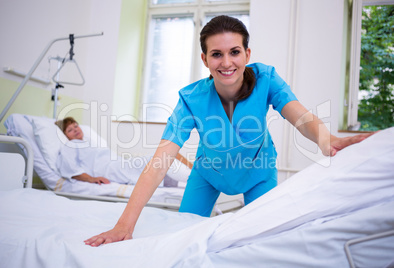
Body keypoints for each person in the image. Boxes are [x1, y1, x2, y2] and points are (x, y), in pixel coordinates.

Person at [84, 15, 374, 247]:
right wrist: (124, 225)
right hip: (207, 174)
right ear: (204, 59)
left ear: (247, 53)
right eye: (216, 54)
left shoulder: (266, 79)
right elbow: (160, 162)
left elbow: (299, 115)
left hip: (258, 174)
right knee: (184, 235)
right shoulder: (191, 98)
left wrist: (327, 140)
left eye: (234, 52)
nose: (226, 62)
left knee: (262, 241)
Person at [55, 117, 186, 187]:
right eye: (70, 130)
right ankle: (192, 180)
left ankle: (189, 181)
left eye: (76, 126)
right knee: (157, 159)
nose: (75, 129)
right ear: (65, 135)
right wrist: (92, 179)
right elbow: (71, 169)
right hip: (110, 170)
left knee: (159, 159)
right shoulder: (70, 146)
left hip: (118, 163)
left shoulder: (89, 141)